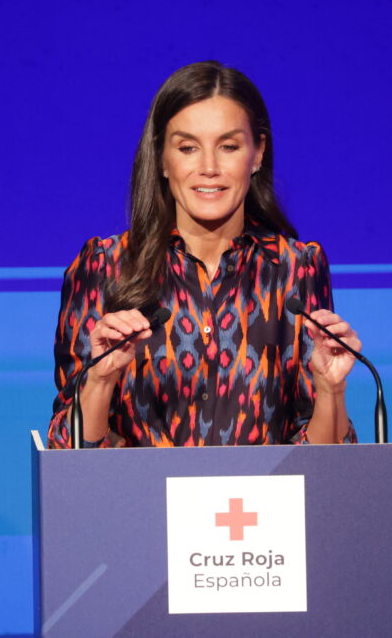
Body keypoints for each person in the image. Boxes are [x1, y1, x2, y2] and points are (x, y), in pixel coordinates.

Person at [47, 61, 360, 448]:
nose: (209, 168)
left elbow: (325, 465)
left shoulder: (296, 269)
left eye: (228, 147)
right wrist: (101, 381)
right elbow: (68, 449)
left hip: (261, 507)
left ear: (258, 153)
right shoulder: (105, 266)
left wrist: (331, 389)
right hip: (141, 506)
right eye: (187, 148)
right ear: (162, 157)